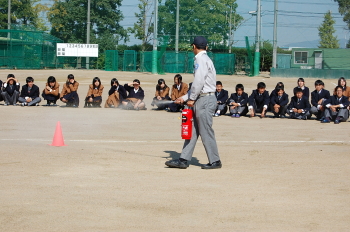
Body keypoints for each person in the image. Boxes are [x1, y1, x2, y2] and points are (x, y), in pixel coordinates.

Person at [165, 36, 221, 170]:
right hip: (202, 98)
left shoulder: (200, 60)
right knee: (193, 131)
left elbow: (198, 82)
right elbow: (199, 85)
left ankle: (215, 160)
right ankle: (184, 159)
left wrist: (191, 98)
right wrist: (184, 98)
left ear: (194, 47)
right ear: (206, 47)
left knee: (206, 131)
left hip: (204, 100)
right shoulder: (206, 59)